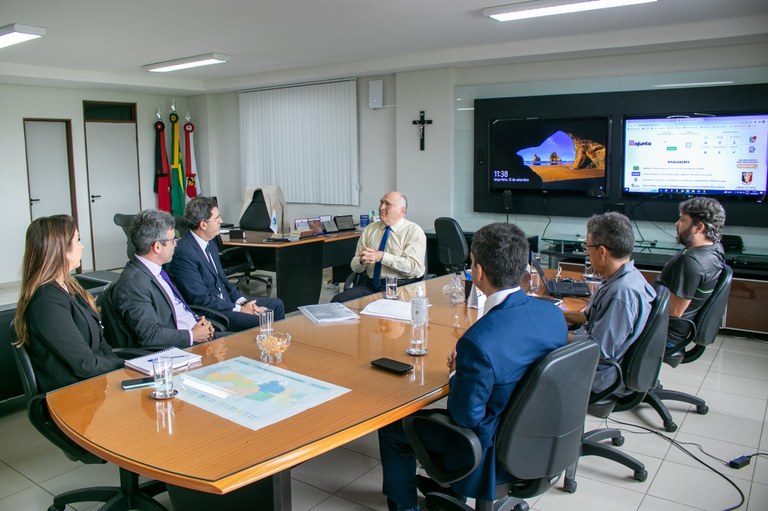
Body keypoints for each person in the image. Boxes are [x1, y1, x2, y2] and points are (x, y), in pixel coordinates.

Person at [378, 223, 568, 511]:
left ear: (477, 271)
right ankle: (451, 493)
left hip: (489, 451)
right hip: (539, 437)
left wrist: (457, 372)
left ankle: (404, 506)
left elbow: (465, 417)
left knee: (393, 427)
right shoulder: (551, 314)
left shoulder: (478, 341)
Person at [13, 215, 123, 393]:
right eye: (77, 240)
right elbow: (85, 364)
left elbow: (100, 344)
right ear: (61, 249)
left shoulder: (70, 287)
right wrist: (125, 365)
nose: (82, 246)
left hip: (96, 382)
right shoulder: (46, 302)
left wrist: (124, 366)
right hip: (73, 395)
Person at [564, 212, 656, 393]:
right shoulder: (629, 276)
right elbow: (588, 316)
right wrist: (556, 313)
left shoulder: (620, 294)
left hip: (599, 376)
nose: (587, 254)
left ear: (602, 252)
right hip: (600, 359)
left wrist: (554, 334)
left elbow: (598, 350)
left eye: (587, 248)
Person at [168, 197, 285, 332]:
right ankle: (262, 349)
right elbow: (200, 299)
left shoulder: (210, 243)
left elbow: (225, 283)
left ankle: (275, 347)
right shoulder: (184, 253)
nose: (221, 221)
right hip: (213, 311)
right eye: (217, 218)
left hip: (227, 302)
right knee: (260, 319)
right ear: (203, 225)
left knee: (277, 305)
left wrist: (244, 302)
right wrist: (241, 309)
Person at [112, 209, 215, 349]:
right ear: (157, 246)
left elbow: (174, 308)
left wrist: (197, 321)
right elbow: (150, 335)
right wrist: (193, 335)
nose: (176, 244)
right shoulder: (134, 284)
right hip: (179, 349)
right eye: (173, 240)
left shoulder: (158, 270)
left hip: (195, 334)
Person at [331, 191, 426, 303]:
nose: (381, 207)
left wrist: (382, 256)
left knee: (386, 311)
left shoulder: (413, 231)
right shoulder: (370, 229)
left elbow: (414, 268)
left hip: (400, 286)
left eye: (387, 204)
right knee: (338, 301)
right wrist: (362, 261)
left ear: (402, 211)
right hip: (371, 285)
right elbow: (355, 266)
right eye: (381, 203)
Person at [657, 197, 726, 342]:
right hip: (668, 329)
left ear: (699, 227)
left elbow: (675, 310)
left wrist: (639, 297)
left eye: (682, 220)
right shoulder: (715, 249)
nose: (677, 224)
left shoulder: (691, 262)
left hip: (662, 334)